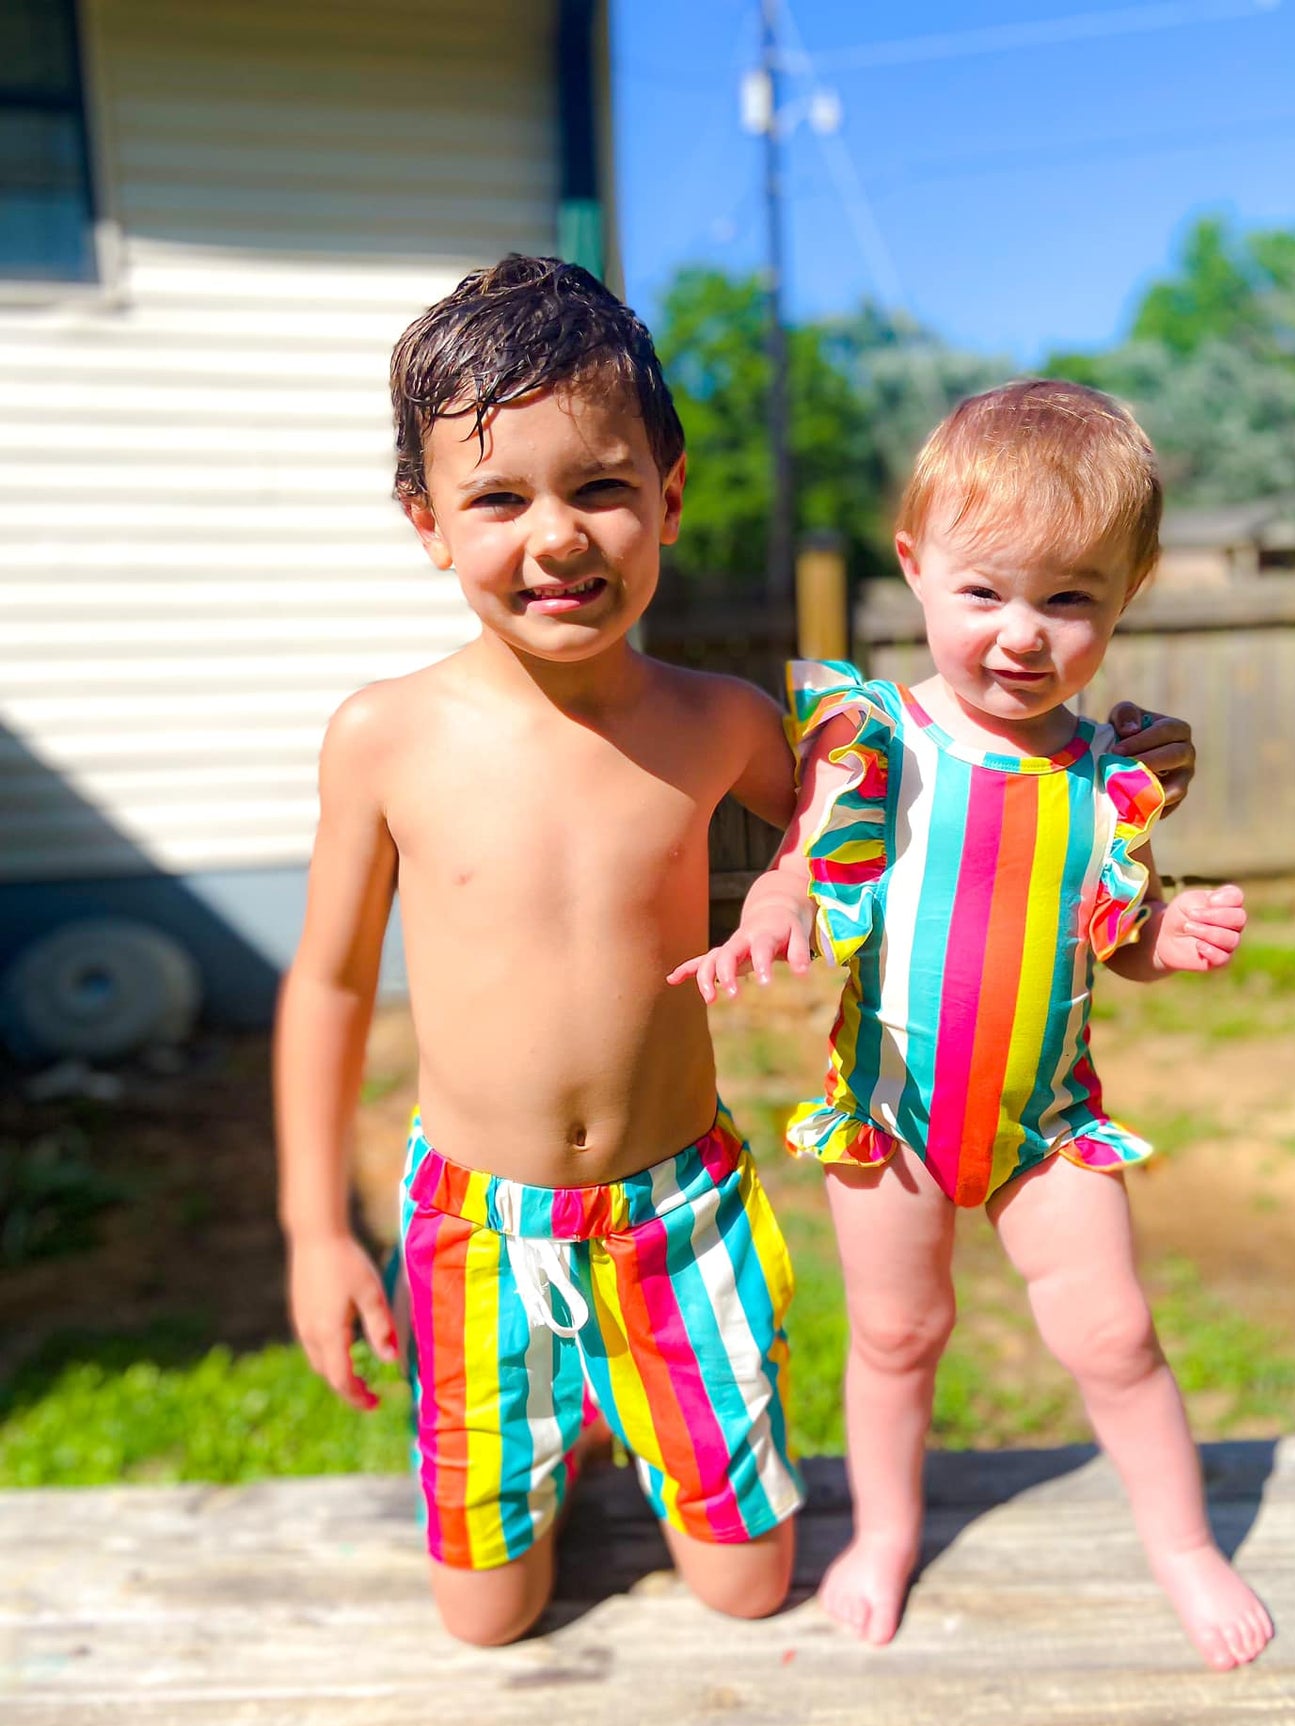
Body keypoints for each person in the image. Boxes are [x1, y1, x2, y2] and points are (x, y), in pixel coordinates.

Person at [275, 261, 1198, 1648]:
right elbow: (332, 982)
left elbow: (924, 812)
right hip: (474, 1221)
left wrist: (1089, 750)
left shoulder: (722, 725)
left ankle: (634, 1410)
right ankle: (571, 1418)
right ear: (425, 523)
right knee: (484, 1621)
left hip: (676, 1213)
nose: (556, 538)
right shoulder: (383, 736)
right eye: (496, 498)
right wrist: (308, 1230)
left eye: (597, 488)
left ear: (669, 496)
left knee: (746, 1589)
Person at [671, 381, 1272, 1672]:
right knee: (897, 1332)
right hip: (890, 1115)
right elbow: (794, 866)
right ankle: (884, 1533)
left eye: (1068, 600)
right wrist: (772, 914)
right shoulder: (879, 741)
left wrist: (1173, 937)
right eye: (984, 592)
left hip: (1046, 1124)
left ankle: (1180, 1544)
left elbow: (1121, 932)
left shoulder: (1114, 773)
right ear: (914, 569)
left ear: (1125, 595)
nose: (1020, 634)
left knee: (1112, 1334)